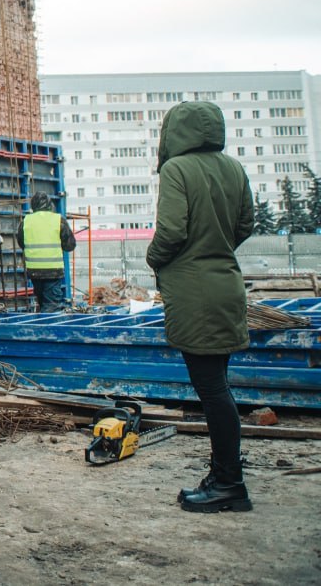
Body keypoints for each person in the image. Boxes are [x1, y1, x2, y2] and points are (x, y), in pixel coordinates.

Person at [146, 101, 254, 513]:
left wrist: (155, 258)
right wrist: (215, 250)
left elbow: (172, 230)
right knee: (219, 386)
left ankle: (229, 482)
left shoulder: (177, 169)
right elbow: (246, 224)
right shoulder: (233, 167)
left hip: (194, 292)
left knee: (211, 390)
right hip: (226, 284)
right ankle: (227, 474)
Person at [18, 192, 77, 312]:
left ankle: (42, 327)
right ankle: (49, 329)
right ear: (50, 205)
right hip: (52, 270)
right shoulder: (58, 220)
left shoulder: (26, 221)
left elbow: (22, 243)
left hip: (34, 270)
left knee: (42, 303)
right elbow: (70, 246)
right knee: (51, 306)